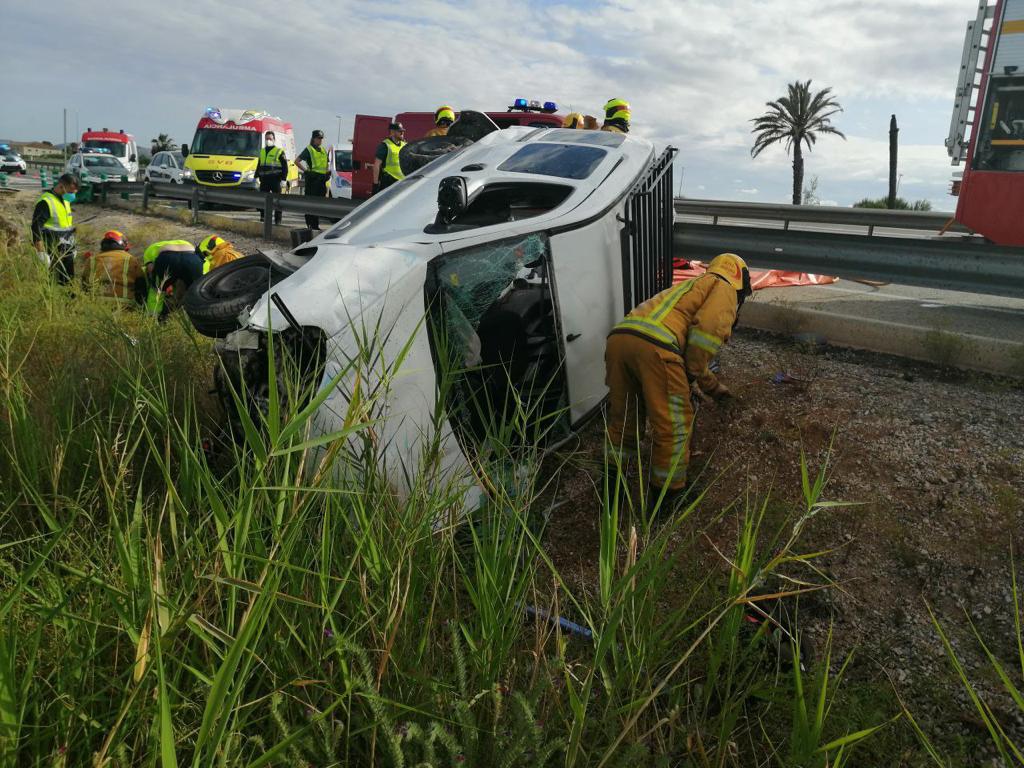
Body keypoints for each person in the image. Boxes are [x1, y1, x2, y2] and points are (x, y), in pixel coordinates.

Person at [604, 253, 752, 504]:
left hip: (620, 340)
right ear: (740, 281)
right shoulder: (725, 287)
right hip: (657, 349)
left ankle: (610, 490)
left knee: (624, 419)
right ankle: (666, 498)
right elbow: (705, 332)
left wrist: (711, 386)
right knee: (673, 428)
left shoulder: (690, 286)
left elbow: (690, 348)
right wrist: (691, 374)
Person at [31, 173, 80, 283]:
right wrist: (41, 252)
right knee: (50, 281)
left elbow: (66, 226)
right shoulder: (46, 202)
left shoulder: (65, 200)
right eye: (71, 192)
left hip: (66, 248)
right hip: (51, 248)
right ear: (61, 186)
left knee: (67, 282)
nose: (73, 195)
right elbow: (36, 227)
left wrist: (73, 246)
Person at [83, 230, 146, 304]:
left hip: (95, 303)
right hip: (123, 304)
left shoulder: (92, 260)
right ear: (122, 243)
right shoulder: (130, 259)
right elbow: (141, 283)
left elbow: (84, 283)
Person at [141, 239, 201, 317]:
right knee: (196, 289)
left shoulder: (148, 252)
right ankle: (194, 317)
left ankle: (152, 317)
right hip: (191, 258)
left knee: (156, 290)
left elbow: (151, 270)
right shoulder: (184, 242)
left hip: (167, 258)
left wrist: (157, 282)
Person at [295, 129, 329, 229]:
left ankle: (315, 225)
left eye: (321, 138)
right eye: (318, 138)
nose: (320, 140)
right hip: (312, 180)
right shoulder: (309, 149)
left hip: (321, 180)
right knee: (310, 204)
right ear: (314, 139)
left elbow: (326, 164)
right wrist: (306, 171)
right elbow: (297, 161)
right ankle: (311, 224)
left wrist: (327, 174)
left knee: (318, 205)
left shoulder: (323, 150)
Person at [256, 130, 288, 225]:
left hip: (275, 180)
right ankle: (263, 216)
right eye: (266, 139)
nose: (268, 140)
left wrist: (283, 179)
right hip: (264, 180)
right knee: (262, 200)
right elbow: (259, 165)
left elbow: (285, 167)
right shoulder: (262, 151)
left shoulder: (279, 151)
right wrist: (256, 176)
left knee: (277, 201)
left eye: (270, 139)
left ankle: (277, 220)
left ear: (274, 140)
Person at [372, 122, 406, 194]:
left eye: (403, 131)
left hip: (401, 183)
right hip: (388, 183)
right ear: (393, 132)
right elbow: (376, 165)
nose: (402, 133)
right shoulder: (385, 145)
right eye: (400, 131)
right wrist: (375, 185)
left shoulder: (404, 145)